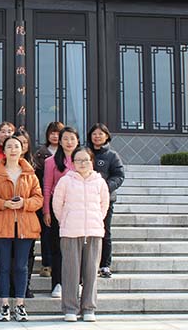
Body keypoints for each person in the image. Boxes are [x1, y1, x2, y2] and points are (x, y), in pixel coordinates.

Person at [0, 136, 43, 322]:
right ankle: (4, 305)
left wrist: (24, 203)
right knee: (3, 266)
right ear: (4, 149)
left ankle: (20, 304)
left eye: (16, 146)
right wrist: (4, 204)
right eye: (9, 146)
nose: (13, 150)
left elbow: (38, 199)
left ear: (22, 149)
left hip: (25, 225)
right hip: (1, 225)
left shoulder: (30, 173)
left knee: (21, 266)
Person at [52, 147, 109, 322]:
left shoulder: (100, 182)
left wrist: (95, 220)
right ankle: (70, 308)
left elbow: (104, 205)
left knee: (91, 271)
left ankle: (89, 308)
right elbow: (57, 205)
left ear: (92, 161)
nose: (82, 164)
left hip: (93, 231)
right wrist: (66, 221)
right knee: (70, 271)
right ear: (73, 163)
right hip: (70, 231)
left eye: (86, 160)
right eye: (78, 160)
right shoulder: (65, 181)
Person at [43, 126, 80, 298]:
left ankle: (77, 282)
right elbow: (47, 186)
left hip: (79, 209)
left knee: (77, 249)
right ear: (60, 141)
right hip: (58, 208)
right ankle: (57, 283)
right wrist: (46, 210)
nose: (69, 142)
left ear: (77, 140)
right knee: (57, 248)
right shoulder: (51, 161)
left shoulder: (83, 159)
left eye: (72, 138)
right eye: (65, 138)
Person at [86, 123, 125, 279]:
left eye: (100, 134)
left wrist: (104, 188)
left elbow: (119, 176)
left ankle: (105, 265)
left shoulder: (112, 156)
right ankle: (88, 264)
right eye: (94, 134)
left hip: (104, 200)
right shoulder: (85, 153)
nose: (97, 137)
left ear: (107, 136)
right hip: (84, 200)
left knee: (105, 231)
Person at [33, 121, 64, 278]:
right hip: (46, 197)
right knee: (46, 232)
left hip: (65, 199)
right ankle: (47, 264)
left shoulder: (68, 153)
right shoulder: (41, 153)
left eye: (58, 133)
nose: (55, 136)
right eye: (52, 133)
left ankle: (61, 263)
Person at [13, 128, 36, 298]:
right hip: (10, 215)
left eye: (25, 143)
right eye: (18, 143)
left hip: (29, 213)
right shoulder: (4, 165)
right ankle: (12, 285)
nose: (21, 146)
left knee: (28, 252)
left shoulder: (34, 165)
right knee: (11, 253)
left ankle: (25, 285)